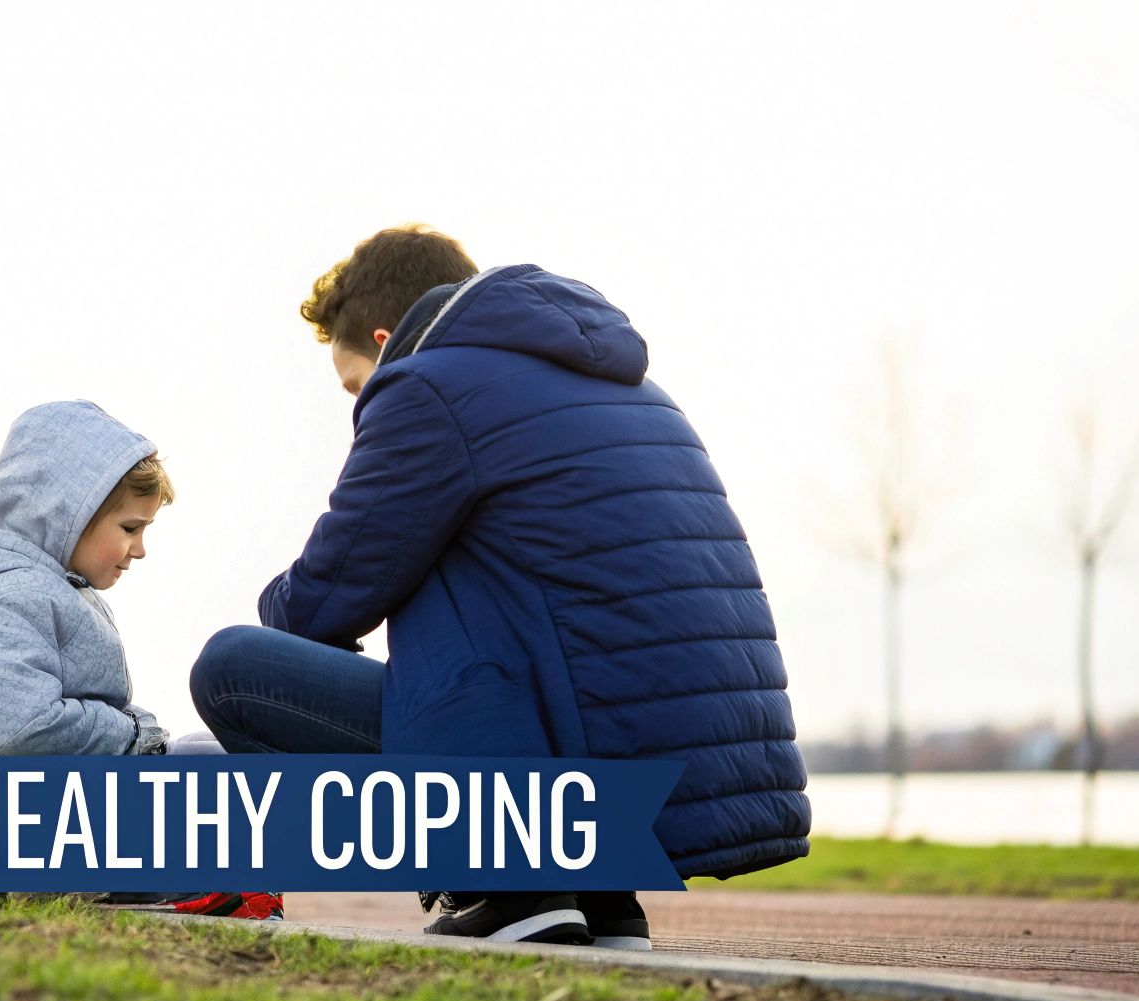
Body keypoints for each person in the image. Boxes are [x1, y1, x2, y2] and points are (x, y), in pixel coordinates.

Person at [191, 226, 810, 944]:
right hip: (685, 773)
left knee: (234, 670)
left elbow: (326, 597)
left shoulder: (427, 386)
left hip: (561, 772)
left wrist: (287, 609)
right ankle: (600, 896)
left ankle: (504, 885)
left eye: (356, 384)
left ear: (389, 339)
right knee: (503, 572)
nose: (361, 404)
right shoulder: (634, 389)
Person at [0, 400, 277, 920]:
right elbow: (26, 725)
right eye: (128, 528)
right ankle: (190, 883)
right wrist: (131, 736)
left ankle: (206, 880)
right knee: (206, 766)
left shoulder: (45, 591)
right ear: (64, 518)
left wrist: (137, 737)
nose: (138, 549)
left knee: (211, 749)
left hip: (34, 809)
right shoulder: (5, 598)